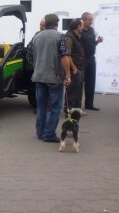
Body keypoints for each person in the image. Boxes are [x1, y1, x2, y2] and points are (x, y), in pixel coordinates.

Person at [31, 14, 72, 143]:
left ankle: (40, 133)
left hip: (39, 76)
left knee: (41, 106)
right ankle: (48, 135)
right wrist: (68, 75)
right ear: (56, 24)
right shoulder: (60, 36)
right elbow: (64, 56)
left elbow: (29, 56)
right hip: (54, 78)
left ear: (46, 23)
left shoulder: (36, 37)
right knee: (55, 107)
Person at [81, 12, 103, 111]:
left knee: (91, 82)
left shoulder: (91, 30)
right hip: (82, 60)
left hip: (91, 59)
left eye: (92, 20)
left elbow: (92, 44)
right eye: (90, 20)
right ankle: (74, 105)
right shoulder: (79, 31)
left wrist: (97, 41)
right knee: (78, 83)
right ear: (84, 20)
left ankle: (89, 104)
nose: (91, 21)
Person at [64, 18, 85, 114]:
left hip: (79, 68)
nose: (83, 27)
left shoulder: (77, 36)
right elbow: (67, 55)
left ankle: (76, 111)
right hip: (74, 69)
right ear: (78, 26)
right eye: (82, 25)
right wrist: (74, 68)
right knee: (72, 91)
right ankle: (69, 111)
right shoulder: (69, 37)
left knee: (78, 91)